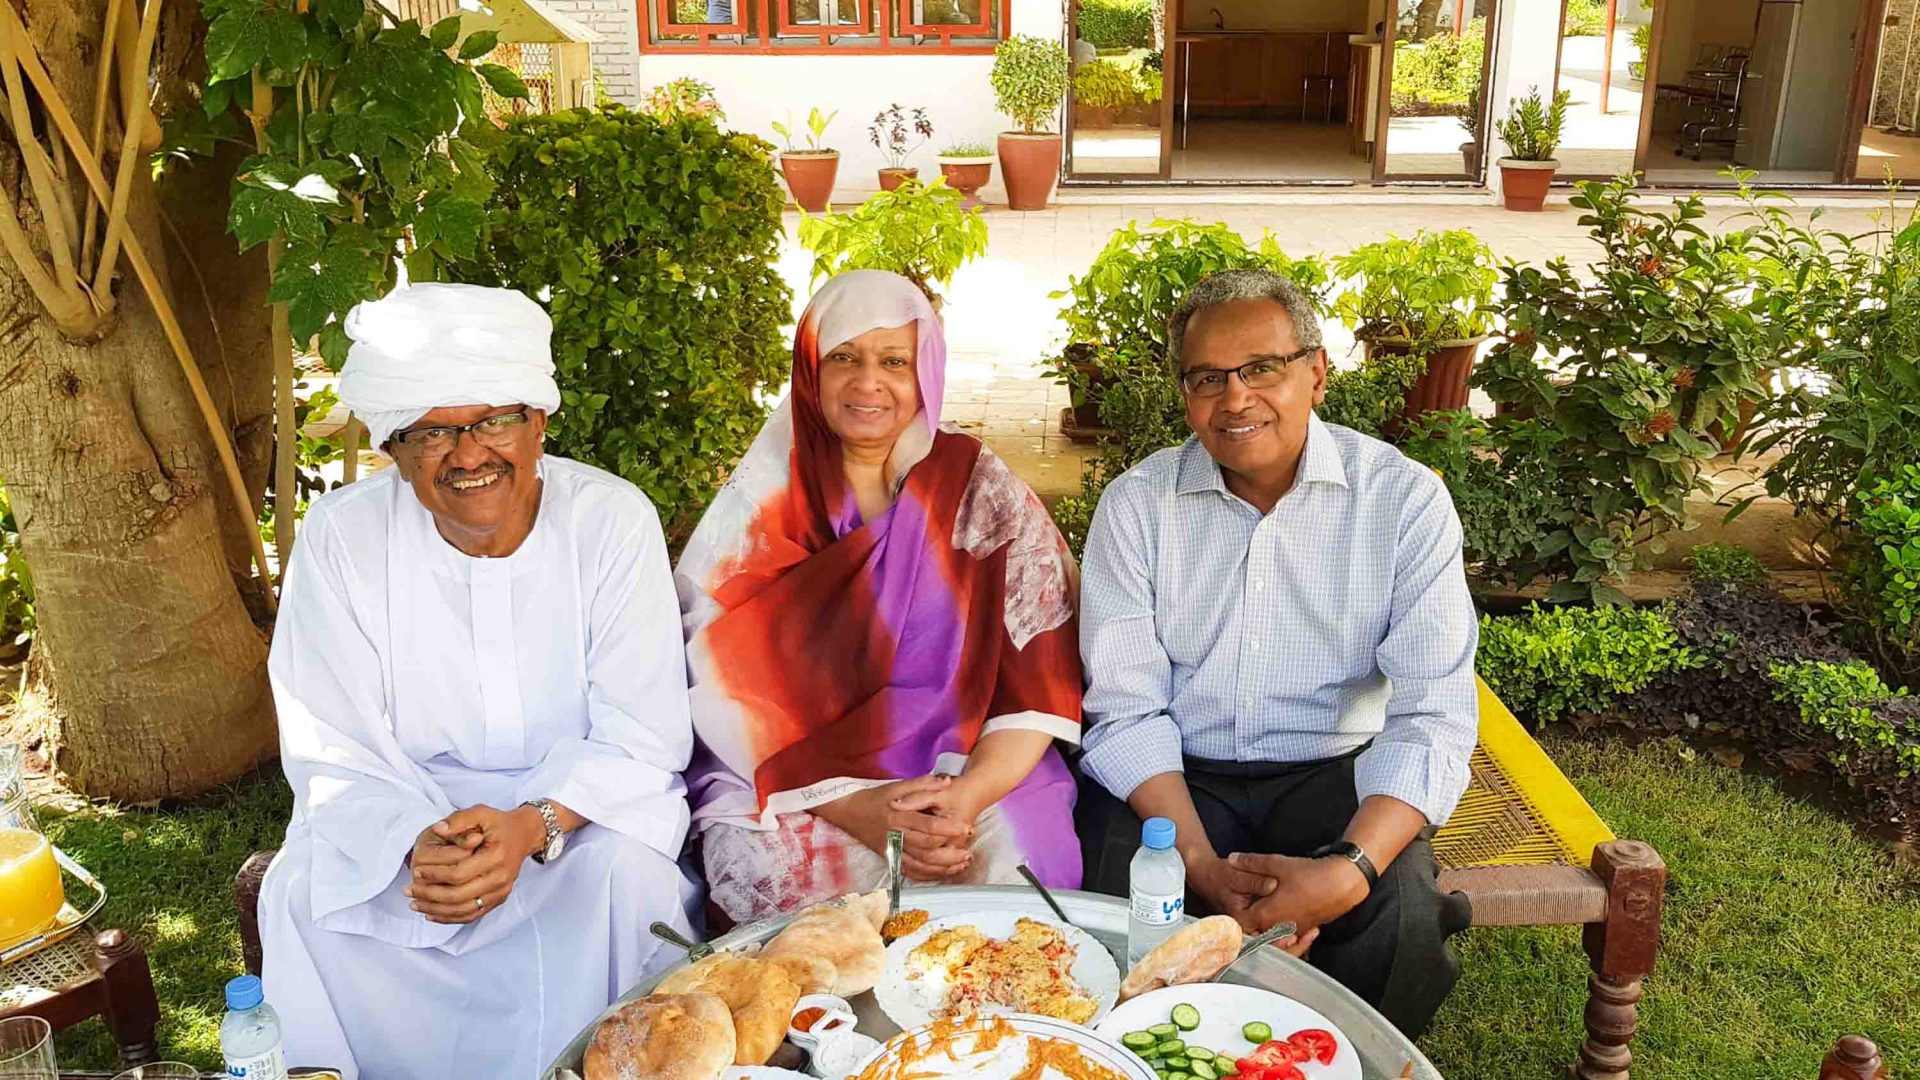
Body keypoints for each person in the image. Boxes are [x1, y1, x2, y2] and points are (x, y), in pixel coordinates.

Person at [257, 283, 702, 1080]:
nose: (468, 454)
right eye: (431, 431)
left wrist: (529, 825)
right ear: (394, 448)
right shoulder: (341, 537)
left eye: (494, 419)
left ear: (539, 422)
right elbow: (332, 741)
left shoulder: (611, 520)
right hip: (406, 829)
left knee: (628, 883)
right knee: (301, 893)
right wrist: (416, 845)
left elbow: (641, 730)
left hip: (572, 821)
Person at [1074, 269, 1478, 1039]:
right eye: (1207, 378)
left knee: (1399, 919)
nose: (1235, 399)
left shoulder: (1401, 502)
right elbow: (1126, 710)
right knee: (1103, 895)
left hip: (1334, 771)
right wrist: (1193, 862)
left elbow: (1434, 714)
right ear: (1184, 393)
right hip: (1180, 778)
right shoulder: (1138, 505)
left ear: (1316, 373)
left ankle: (1323, 1059)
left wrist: (1347, 872)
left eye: (1263, 368)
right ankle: (1135, 1055)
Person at [678, 270, 1084, 925]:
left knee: (1014, 861)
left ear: (925, 369)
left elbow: (1040, 673)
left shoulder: (976, 490)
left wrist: (964, 800)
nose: (869, 383)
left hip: (964, 768)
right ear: (810, 369)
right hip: (803, 781)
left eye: (894, 361)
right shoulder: (761, 509)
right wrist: (860, 809)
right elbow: (730, 699)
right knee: (770, 877)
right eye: (844, 358)